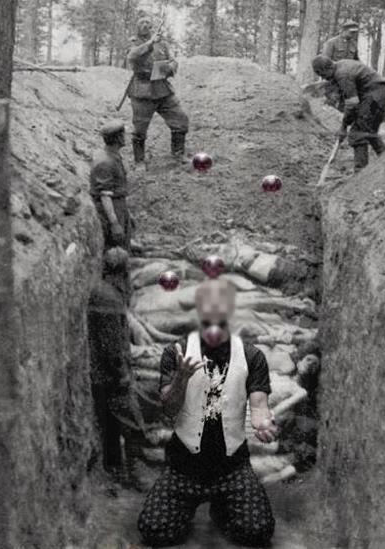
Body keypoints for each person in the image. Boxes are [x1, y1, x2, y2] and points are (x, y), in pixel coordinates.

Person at [138, 279, 277, 547]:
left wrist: (264, 425)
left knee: (257, 531)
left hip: (231, 468)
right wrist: (181, 378)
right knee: (153, 529)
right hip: (184, 467)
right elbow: (169, 409)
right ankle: (186, 508)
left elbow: (259, 407)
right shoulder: (175, 353)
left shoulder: (252, 356)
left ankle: (221, 508)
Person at [88, 247, 147, 490]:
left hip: (100, 374)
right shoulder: (109, 299)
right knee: (134, 423)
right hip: (111, 374)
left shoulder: (103, 292)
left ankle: (114, 469)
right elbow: (112, 344)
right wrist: (122, 373)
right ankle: (135, 474)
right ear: (121, 271)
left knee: (111, 425)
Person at [126, 17, 189, 165]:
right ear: (137, 27)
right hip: (142, 91)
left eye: (148, 23)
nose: (145, 25)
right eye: (142, 22)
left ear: (152, 26)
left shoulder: (162, 43)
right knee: (140, 129)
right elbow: (132, 56)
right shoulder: (133, 42)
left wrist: (170, 68)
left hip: (162, 89)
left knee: (181, 120)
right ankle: (139, 162)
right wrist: (150, 43)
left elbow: (173, 60)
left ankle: (178, 155)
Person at [312, 55, 385, 171]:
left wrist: (343, 127)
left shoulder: (342, 74)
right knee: (367, 130)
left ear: (326, 69)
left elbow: (352, 102)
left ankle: (360, 172)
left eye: (323, 75)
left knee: (357, 133)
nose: (324, 78)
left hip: (374, 97)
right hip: (378, 95)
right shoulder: (341, 65)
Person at [90, 122, 132, 250]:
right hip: (110, 208)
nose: (126, 137)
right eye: (123, 135)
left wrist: (126, 212)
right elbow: (105, 196)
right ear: (118, 138)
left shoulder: (111, 155)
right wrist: (114, 223)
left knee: (124, 242)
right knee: (116, 247)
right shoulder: (105, 162)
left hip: (118, 204)